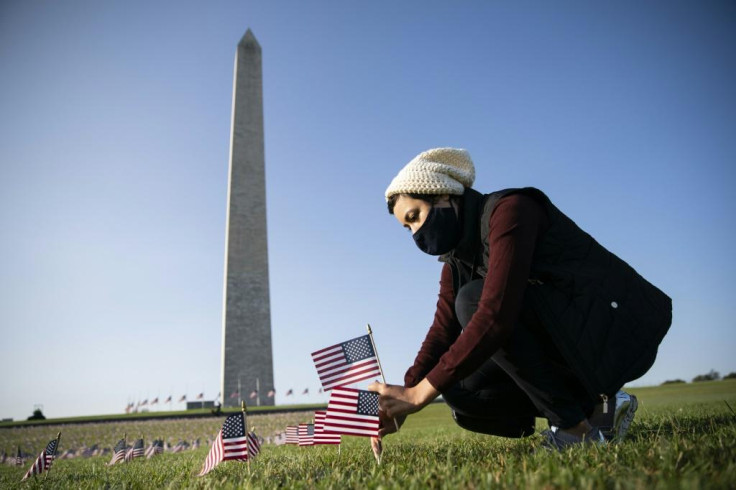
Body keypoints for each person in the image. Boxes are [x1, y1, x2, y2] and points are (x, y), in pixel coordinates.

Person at [368, 147, 672, 449]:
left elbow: (496, 314)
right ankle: (600, 407)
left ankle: (575, 430)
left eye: (415, 217)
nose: (416, 234)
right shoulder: (456, 261)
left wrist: (421, 394)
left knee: (473, 301)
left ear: (444, 195)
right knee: (460, 387)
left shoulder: (510, 210)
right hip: (567, 339)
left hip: (614, 327)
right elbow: (441, 331)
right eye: (408, 228)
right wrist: (404, 396)